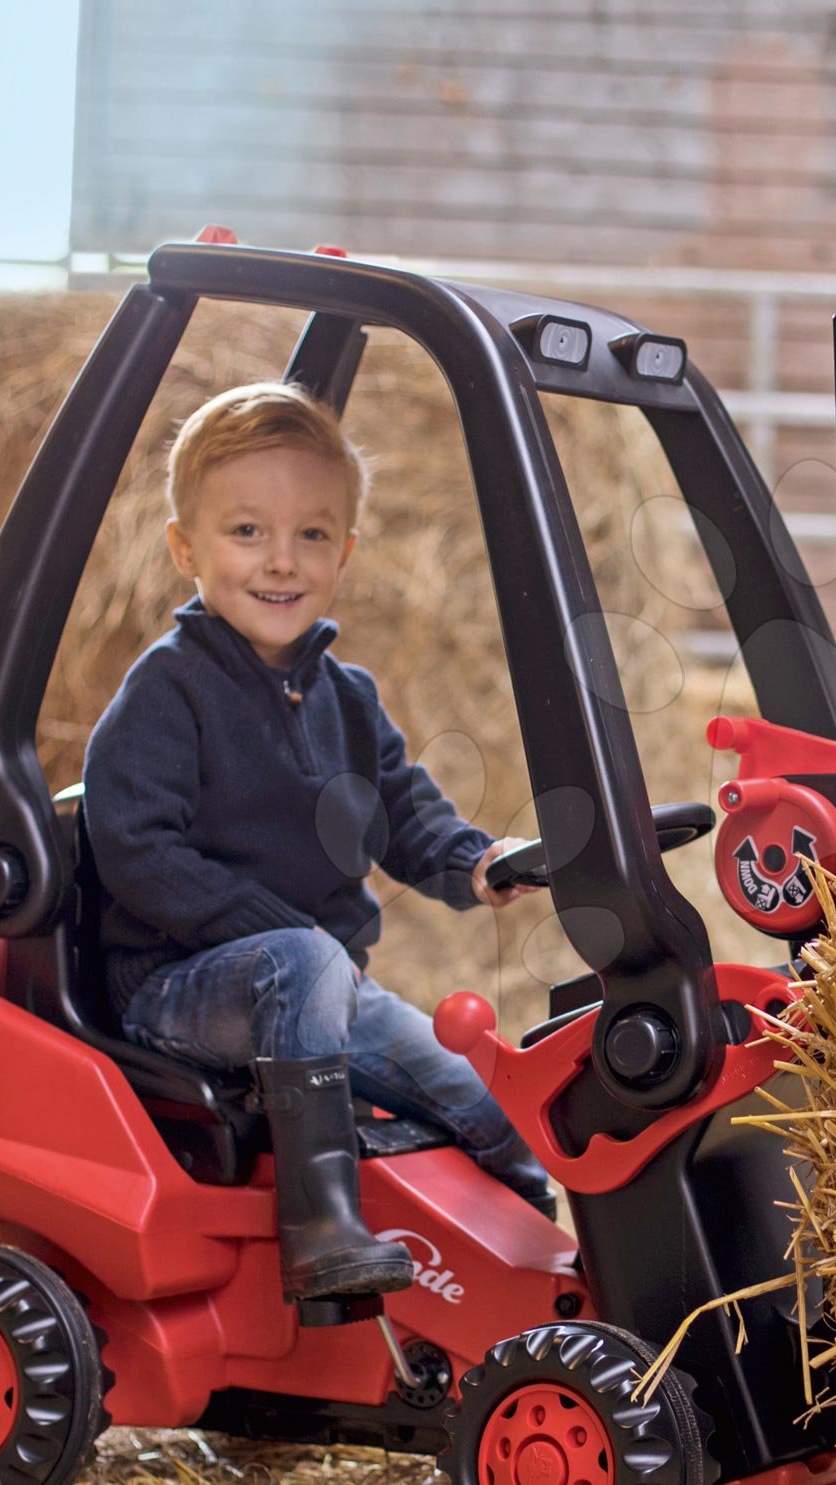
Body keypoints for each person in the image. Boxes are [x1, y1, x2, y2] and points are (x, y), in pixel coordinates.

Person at [83, 381, 553, 1301]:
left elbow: (404, 811)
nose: (280, 561)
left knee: (485, 1097)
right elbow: (136, 852)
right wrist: (283, 932)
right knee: (304, 958)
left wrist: (473, 862)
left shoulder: (347, 696)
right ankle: (320, 1225)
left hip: (319, 986)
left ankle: (536, 1279)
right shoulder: (167, 692)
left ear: (343, 553)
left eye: (310, 535)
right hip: (177, 988)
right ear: (187, 548)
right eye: (246, 532)